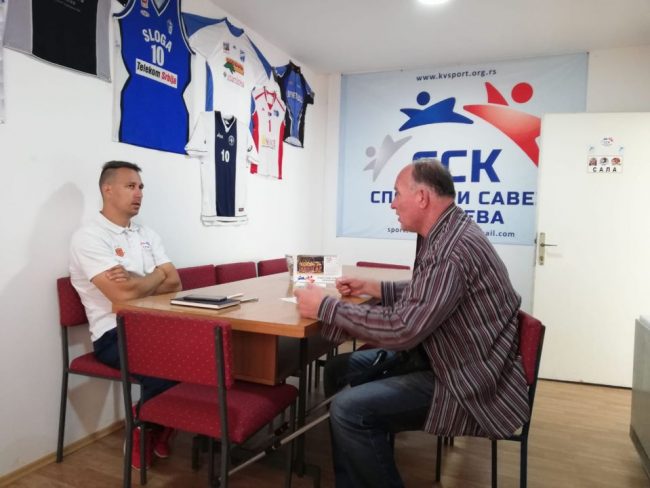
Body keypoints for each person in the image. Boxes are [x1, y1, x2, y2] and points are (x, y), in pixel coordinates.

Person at [294, 159, 530, 488]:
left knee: (349, 410)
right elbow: (431, 291)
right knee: (338, 370)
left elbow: (403, 329)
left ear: (421, 197)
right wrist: (374, 287)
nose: (392, 203)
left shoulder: (450, 250)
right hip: (459, 360)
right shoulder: (451, 232)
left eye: (396, 194)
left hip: (464, 379)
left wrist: (325, 306)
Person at [69, 161, 182, 470]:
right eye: (130, 186)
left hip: (156, 325)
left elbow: (176, 283)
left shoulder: (147, 234)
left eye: (141, 187)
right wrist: (155, 276)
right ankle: (144, 425)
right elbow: (122, 296)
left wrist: (135, 280)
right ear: (107, 189)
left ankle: (152, 422)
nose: (139, 193)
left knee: (202, 356)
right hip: (113, 332)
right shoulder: (89, 237)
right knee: (170, 366)